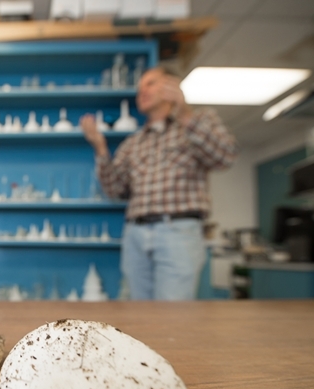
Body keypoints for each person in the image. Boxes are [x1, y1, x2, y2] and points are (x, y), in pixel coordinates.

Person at [80, 66, 237, 300]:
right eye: (139, 88)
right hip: (135, 233)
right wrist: (100, 147)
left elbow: (224, 157)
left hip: (178, 231)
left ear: (171, 85)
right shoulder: (133, 143)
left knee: (172, 314)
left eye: (150, 83)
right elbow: (114, 190)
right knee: (139, 313)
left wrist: (185, 115)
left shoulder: (199, 121)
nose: (142, 91)